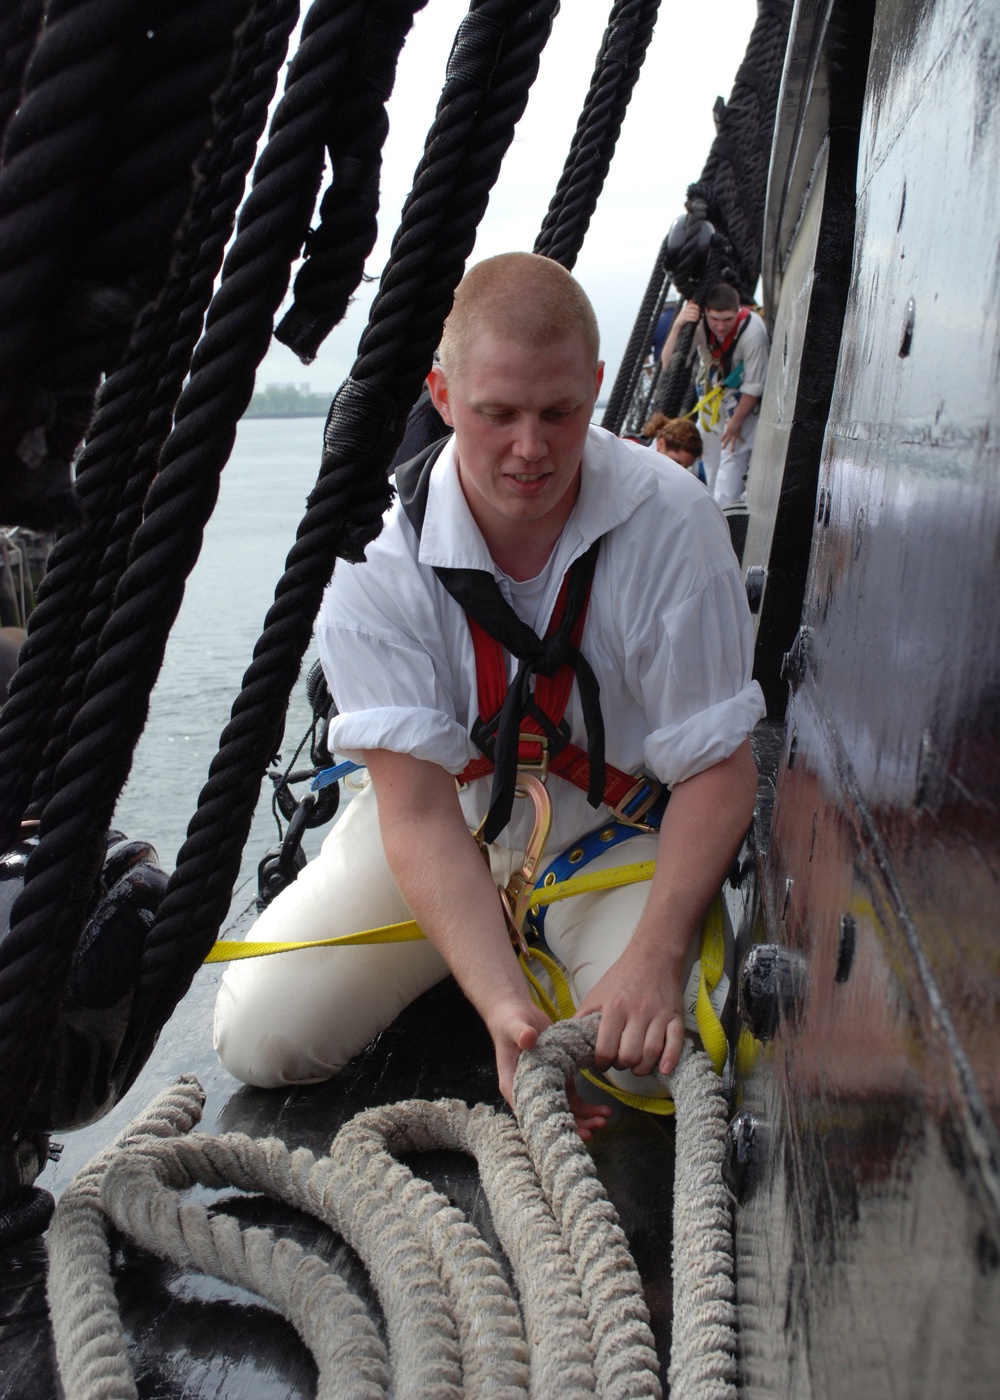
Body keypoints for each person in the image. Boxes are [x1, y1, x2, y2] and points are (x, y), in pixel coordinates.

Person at [214, 253, 765, 1138]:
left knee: (671, 1067)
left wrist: (657, 956)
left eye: (559, 412)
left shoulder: (673, 526)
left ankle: (530, 954)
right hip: (445, 826)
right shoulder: (373, 559)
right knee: (261, 1036)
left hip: (607, 838)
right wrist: (505, 1011)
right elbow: (420, 816)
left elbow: (719, 770)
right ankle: (490, 959)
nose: (531, 448)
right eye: (496, 413)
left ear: (595, 387)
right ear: (440, 392)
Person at [659, 284, 770, 506]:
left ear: (738, 311)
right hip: (711, 409)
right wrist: (678, 325)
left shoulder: (753, 332)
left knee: (730, 467)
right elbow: (669, 365)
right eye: (714, 319)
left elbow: (755, 386)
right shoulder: (699, 326)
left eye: (727, 319)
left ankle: (723, 516)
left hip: (740, 411)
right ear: (706, 313)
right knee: (710, 464)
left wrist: (735, 424)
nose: (720, 326)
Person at [641, 412, 706, 483]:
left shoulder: (694, 476)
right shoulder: (633, 459)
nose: (679, 473)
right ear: (660, 444)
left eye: (686, 468)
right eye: (675, 462)